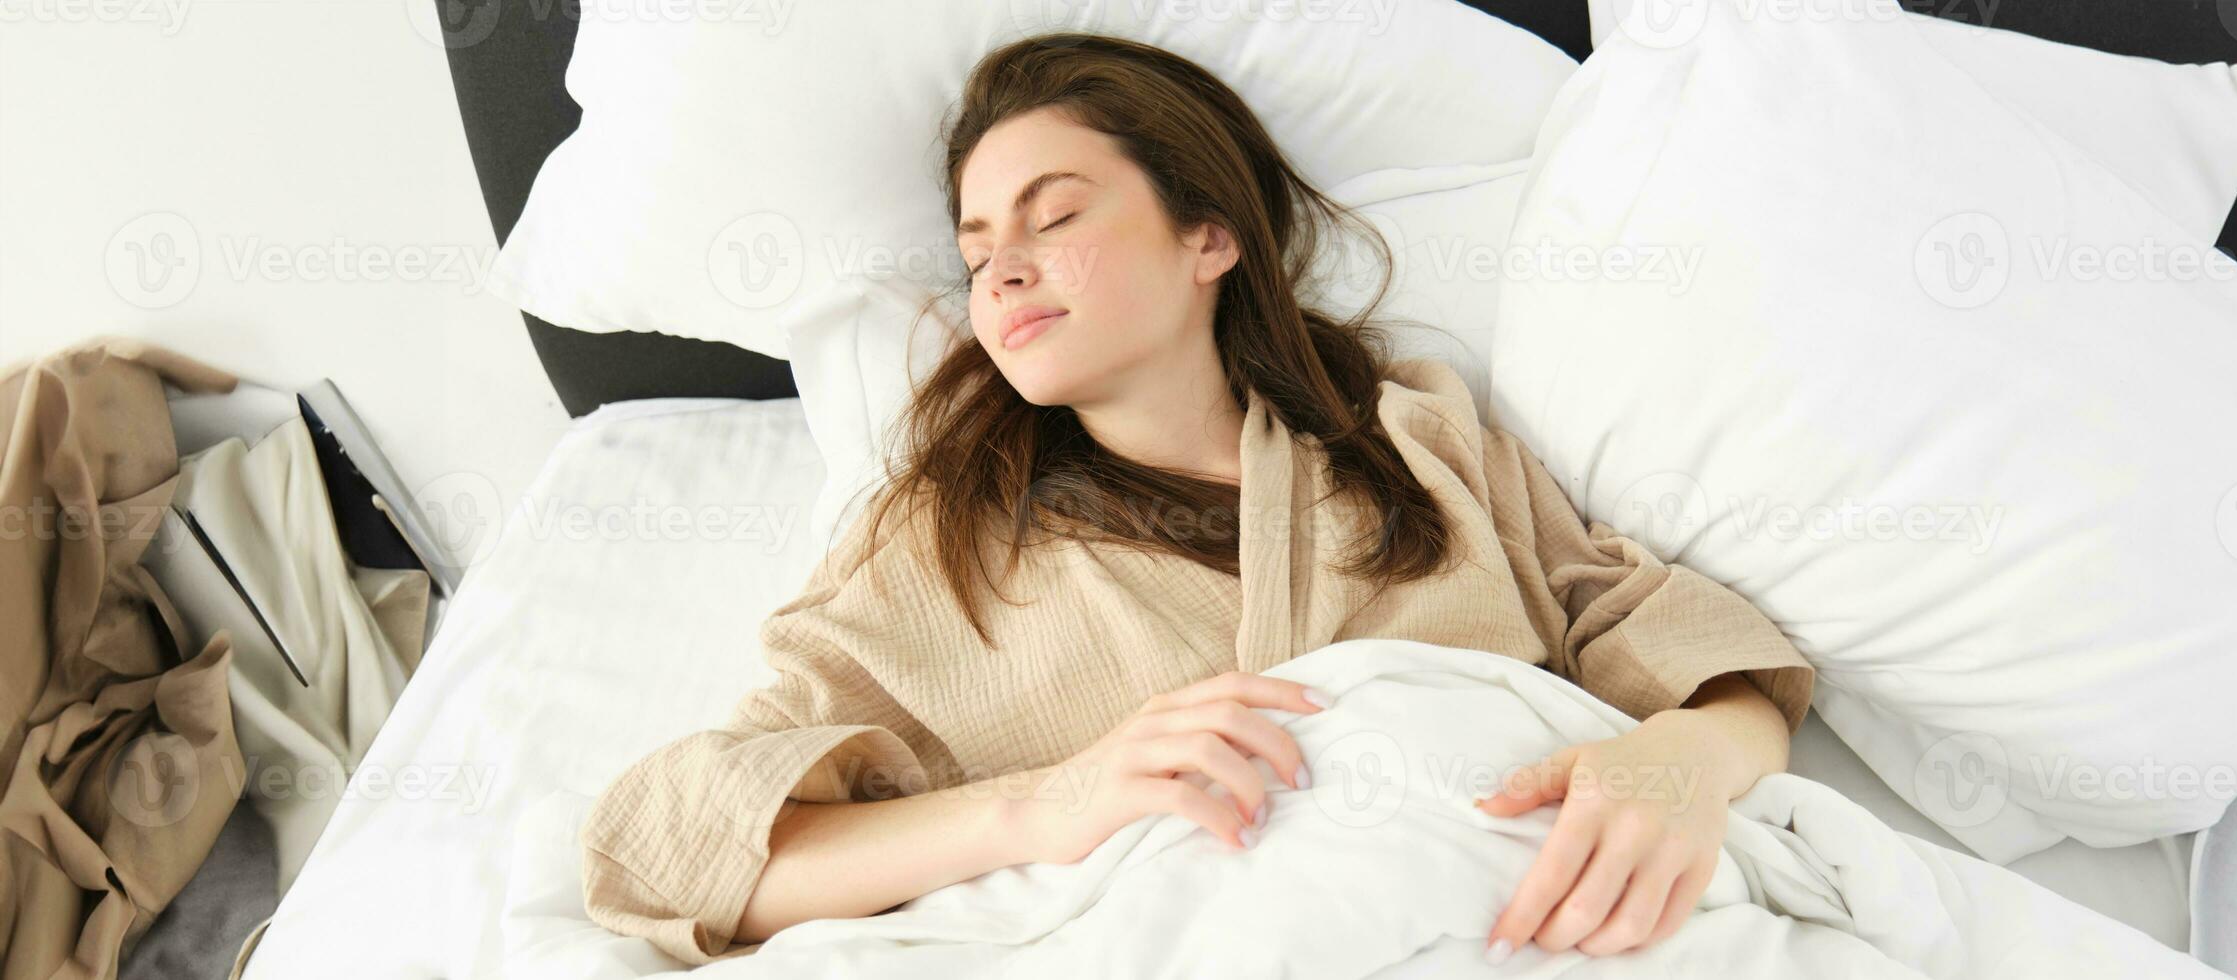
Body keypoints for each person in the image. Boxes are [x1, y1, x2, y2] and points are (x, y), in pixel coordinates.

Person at [579, 32, 1815, 969]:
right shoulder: (944, 536)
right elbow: (682, 844)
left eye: (1054, 215)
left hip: (1551, 914)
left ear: (1207, 234)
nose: (1000, 265)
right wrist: (1050, 800)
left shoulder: (1414, 431)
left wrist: (1679, 764)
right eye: (971, 252)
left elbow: (1696, 656)